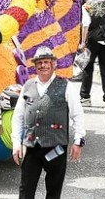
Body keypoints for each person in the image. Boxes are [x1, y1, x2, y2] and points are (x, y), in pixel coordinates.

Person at [11, 48, 84, 199]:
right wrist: (16, 143)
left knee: (53, 190)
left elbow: (77, 114)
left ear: (53, 64)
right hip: (31, 147)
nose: (43, 65)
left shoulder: (66, 86)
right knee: (26, 190)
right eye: (39, 63)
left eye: (46, 62)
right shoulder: (27, 86)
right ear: (35, 66)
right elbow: (18, 116)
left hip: (56, 147)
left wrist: (78, 141)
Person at [78, 0, 105, 109]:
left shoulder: (86, 7)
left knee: (88, 68)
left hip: (92, 39)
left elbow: (85, 24)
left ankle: (85, 97)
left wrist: (82, 42)